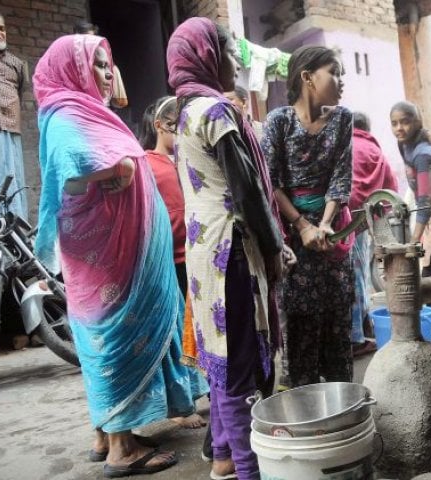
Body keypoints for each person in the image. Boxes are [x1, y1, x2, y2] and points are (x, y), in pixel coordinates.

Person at [33, 33, 202, 477]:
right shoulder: (68, 113)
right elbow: (69, 174)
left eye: (109, 65)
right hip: (107, 259)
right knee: (112, 339)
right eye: (98, 65)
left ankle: (107, 434)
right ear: (71, 69)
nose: (107, 74)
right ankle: (122, 450)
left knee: (104, 342)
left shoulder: (85, 111)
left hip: (119, 255)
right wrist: (118, 167)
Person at [167, 18, 286, 480]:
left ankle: (221, 457)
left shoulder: (182, 115)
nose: (237, 62)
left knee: (220, 361)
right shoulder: (215, 112)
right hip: (228, 251)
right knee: (238, 370)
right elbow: (249, 189)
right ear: (207, 57)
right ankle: (246, 470)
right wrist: (274, 247)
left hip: (203, 252)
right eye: (230, 52)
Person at [261, 45, 354, 387]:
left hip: (332, 235)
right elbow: (269, 181)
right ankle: (307, 410)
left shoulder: (343, 119)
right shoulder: (278, 121)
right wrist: (301, 226)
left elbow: (341, 177)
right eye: (334, 71)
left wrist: (326, 225)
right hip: (294, 237)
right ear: (307, 77)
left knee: (337, 321)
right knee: (300, 325)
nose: (341, 80)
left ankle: (343, 406)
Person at [138, 95, 209, 429]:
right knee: (180, 333)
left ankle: (203, 390)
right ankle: (183, 405)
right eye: (174, 127)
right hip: (169, 260)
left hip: (195, 254)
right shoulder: (147, 162)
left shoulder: (185, 158)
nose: (180, 134)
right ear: (159, 126)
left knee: (199, 328)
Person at [349, 111, 397, 357]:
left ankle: (357, 330)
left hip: (335, 217)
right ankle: (356, 338)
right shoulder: (373, 150)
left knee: (353, 276)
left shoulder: (342, 145)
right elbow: (391, 189)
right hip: (362, 220)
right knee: (359, 277)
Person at [389, 101, 431, 276]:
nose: (399, 128)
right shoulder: (404, 144)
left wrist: (415, 240)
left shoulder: (423, 154)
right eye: (394, 123)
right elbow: (416, 185)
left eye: (405, 122)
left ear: (417, 122)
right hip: (429, 212)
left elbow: (426, 199)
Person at [0, 8, 28, 232]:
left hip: (10, 131)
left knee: (12, 185)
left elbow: (19, 94)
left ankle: (16, 237)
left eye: (2, 28)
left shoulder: (16, 64)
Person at [73, 20, 128, 110]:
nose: (91, 43)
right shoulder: (72, 61)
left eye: (93, 38)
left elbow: (120, 101)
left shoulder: (101, 56)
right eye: (87, 39)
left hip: (101, 108)